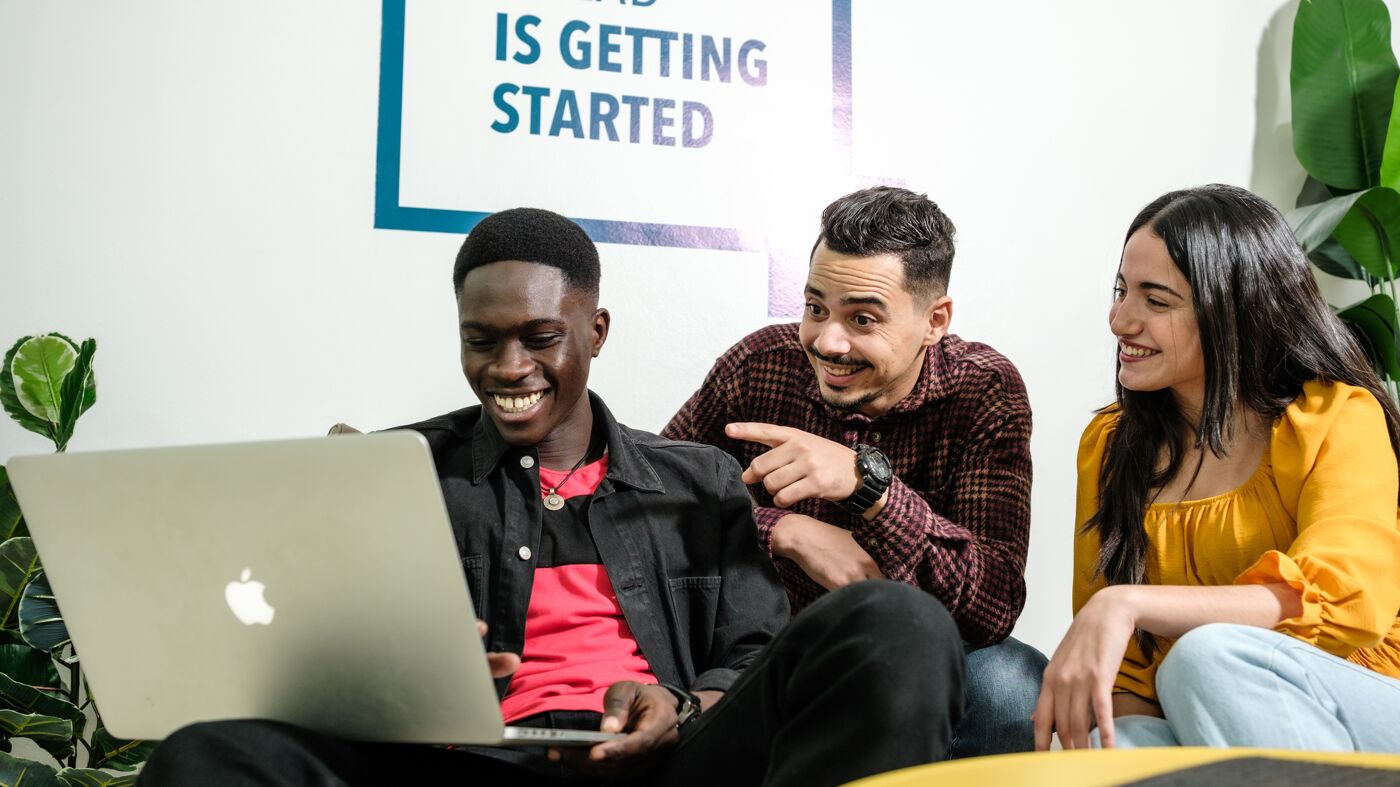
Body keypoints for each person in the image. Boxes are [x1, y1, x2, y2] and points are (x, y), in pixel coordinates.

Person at [139, 208, 966, 786]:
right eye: (481, 339)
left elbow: (750, 662)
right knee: (210, 753)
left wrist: (676, 708)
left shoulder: (696, 478)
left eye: (540, 338)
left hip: (666, 768)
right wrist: (390, 671)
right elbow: (304, 676)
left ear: (594, 333)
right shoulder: (400, 469)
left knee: (900, 622)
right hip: (458, 765)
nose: (508, 367)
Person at [664, 186, 1046, 757]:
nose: (826, 341)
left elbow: (992, 605)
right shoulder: (758, 365)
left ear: (934, 319)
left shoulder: (982, 390)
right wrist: (785, 531)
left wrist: (870, 490)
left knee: (1011, 686)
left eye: (862, 319)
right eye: (815, 308)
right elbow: (648, 501)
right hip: (764, 648)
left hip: (920, 655)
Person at [1033, 184, 1400, 752]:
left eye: (1156, 301)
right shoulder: (1110, 443)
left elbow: (1347, 601)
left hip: (1363, 700)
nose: (1120, 320)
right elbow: (1128, 670)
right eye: (1122, 290)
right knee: (1106, 750)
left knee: (1204, 656)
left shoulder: (1335, 418)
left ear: (1235, 310)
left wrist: (1128, 601)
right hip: (1208, 713)